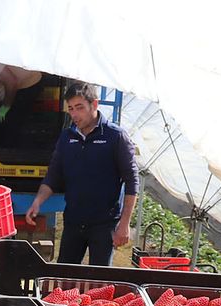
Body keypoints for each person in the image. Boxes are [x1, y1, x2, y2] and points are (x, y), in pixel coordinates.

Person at [24, 83, 140, 267]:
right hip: (73, 221)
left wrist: (124, 224)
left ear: (94, 104)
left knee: (99, 281)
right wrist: (38, 202)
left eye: (80, 107)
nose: (75, 114)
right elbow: (53, 175)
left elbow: (132, 181)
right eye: (71, 109)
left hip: (104, 224)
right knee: (64, 277)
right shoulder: (67, 137)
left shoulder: (115, 137)